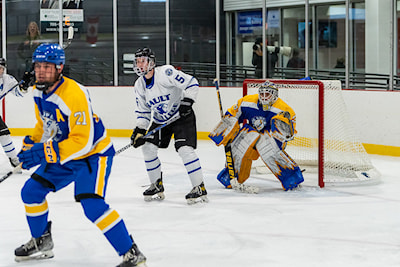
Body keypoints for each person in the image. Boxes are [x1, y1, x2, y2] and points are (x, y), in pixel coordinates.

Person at [15, 44, 147, 267]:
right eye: (38, 66)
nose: (40, 71)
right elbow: (46, 124)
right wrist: (31, 143)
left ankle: (131, 253)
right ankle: (41, 242)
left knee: (92, 205)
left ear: (60, 68)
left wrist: (43, 152)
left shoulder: (75, 94)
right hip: (64, 153)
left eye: (47, 67)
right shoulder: (39, 91)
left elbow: (82, 142)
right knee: (31, 191)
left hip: (93, 155)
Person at [131, 47, 208, 205]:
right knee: (147, 148)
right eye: (137, 61)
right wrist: (139, 130)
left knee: (185, 149)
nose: (140, 65)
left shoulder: (165, 73)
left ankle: (199, 187)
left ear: (152, 62)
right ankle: (156, 185)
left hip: (181, 116)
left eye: (143, 61)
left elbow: (191, 83)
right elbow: (144, 112)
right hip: (160, 120)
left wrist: (187, 102)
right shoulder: (139, 85)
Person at [209, 81, 304, 193]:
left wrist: (283, 131)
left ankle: (291, 177)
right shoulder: (247, 101)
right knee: (239, 144)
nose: (264, 97)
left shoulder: (284, 109)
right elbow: (233, 114)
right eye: (262, 94)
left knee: (267, 147)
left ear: (274, 95)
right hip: (252, 132)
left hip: (271, 138)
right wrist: (227, 127)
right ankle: (232, 175)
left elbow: (289, 134)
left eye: (267, 94)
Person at [0, 58, 28, 170]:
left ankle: (14, 159)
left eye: (1, 68)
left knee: (4, 134)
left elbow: (18, 93)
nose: (0, 71)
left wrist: (24, 86)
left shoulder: (7, 80)